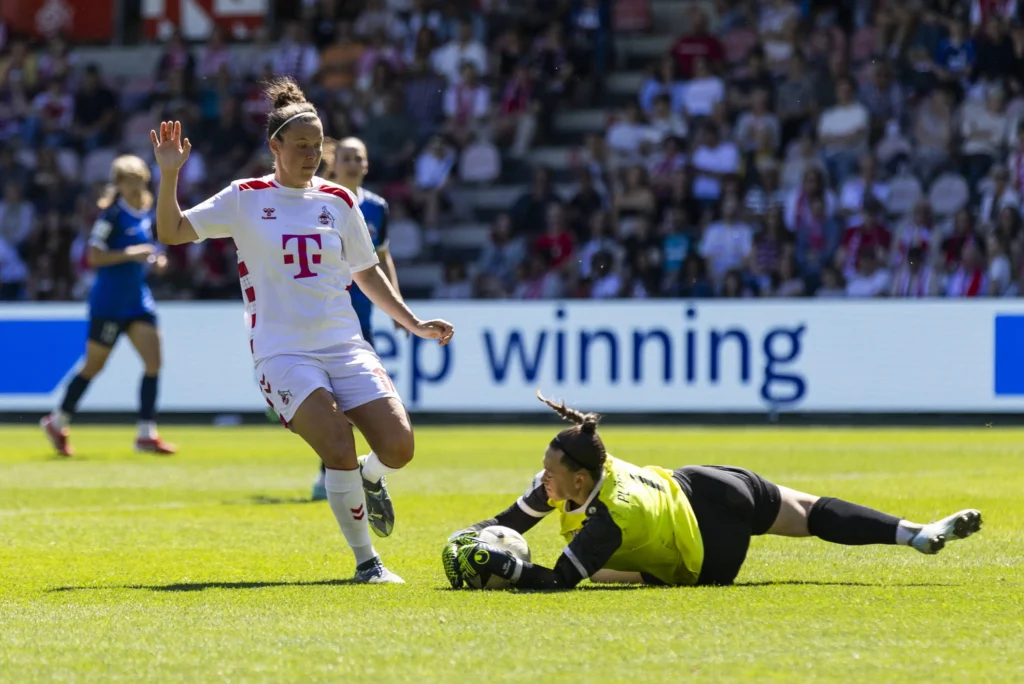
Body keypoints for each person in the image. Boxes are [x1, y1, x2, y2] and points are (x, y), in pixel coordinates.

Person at [150, 77, 454, 584]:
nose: (313, 155)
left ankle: (368, 478)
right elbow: (173, 231)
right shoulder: (244, 198)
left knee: (399, 449)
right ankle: (368, 564)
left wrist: (412, 321)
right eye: (302, 146)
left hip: (344, 344)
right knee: (336, 443)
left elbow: (367, 270)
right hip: (282, 352)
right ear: (275, 148)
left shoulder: (338, 201)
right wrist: (168, 177)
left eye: (318, 146)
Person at [442, 393, 983, 589]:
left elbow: (559, 582)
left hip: (710, 545)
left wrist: (506, 569)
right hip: (710, 482)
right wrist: (467, 540)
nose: (543, 477)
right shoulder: (574, 476)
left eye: (550, 470)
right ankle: (915, 533)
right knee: (812, 512)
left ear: (580, 481)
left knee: (608, 571)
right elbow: (513, 518)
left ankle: (916, 534)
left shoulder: (611, 514)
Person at [40, 155, 175, 457]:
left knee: (154, 363)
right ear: (118, 184)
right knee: (94, 366)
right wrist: (131, 253)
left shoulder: (144, 212)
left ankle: (146, 433)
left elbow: (152, 249)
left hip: (138, 301)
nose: (134, 185)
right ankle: (58, 420)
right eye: (127, 180)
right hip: (110, 304)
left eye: (138, 179)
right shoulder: (110, 217)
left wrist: (157, 259)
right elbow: (93, 258)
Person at [309, 136, 404, 501]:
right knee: (329, 401)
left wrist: (395, 306)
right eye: (346, 157)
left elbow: (382, 257)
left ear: (366, 165)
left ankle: (348, 473)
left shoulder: (377, 207)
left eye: (358, 158)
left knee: (357, 401)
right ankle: (332, 473)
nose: (352, 163)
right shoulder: (320, 201)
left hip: (360, 320)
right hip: (326, 317)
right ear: (335, 164)